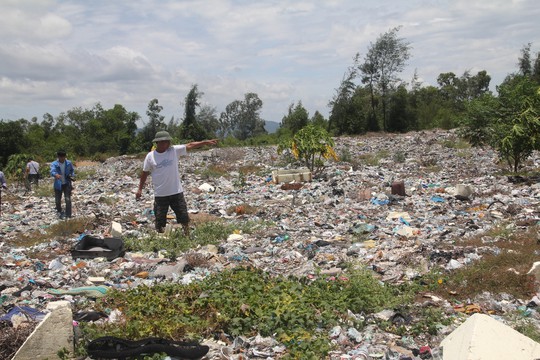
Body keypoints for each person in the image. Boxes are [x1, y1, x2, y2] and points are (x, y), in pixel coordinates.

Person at [135, 131, 218, 235]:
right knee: (160, 219)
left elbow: (190, 145)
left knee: (183, 216)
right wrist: (139, 189)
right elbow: (144, 173)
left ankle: (187, 235)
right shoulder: (150, 156)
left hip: (176, 192)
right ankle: (161, 238)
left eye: (168, 141)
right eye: (165, 141)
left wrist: (205, 142)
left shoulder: (173, 151)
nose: (168, 143)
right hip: (160, 194)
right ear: (159, 142)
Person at [50, 150, 75, 219]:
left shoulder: (68, 163)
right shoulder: (54, 164)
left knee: (68, 199)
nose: (62, 158)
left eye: (63, 157)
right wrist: (56, 175)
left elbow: (72, 170)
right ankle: (59, 211)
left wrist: (72, 175)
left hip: (67, 183)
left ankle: (68, 215)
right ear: (58, 157)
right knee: (58, 200)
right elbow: (52, 171)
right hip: (58, 184)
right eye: (61, 157)